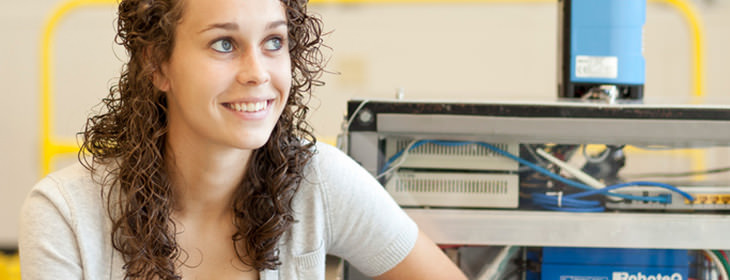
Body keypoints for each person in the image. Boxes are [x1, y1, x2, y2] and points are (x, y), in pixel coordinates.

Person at [19, 0, 467, 279]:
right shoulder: (66, 215)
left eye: (274, 41)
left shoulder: (319, 183)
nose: (258, 72)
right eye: (224, 44)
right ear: (158, 64)